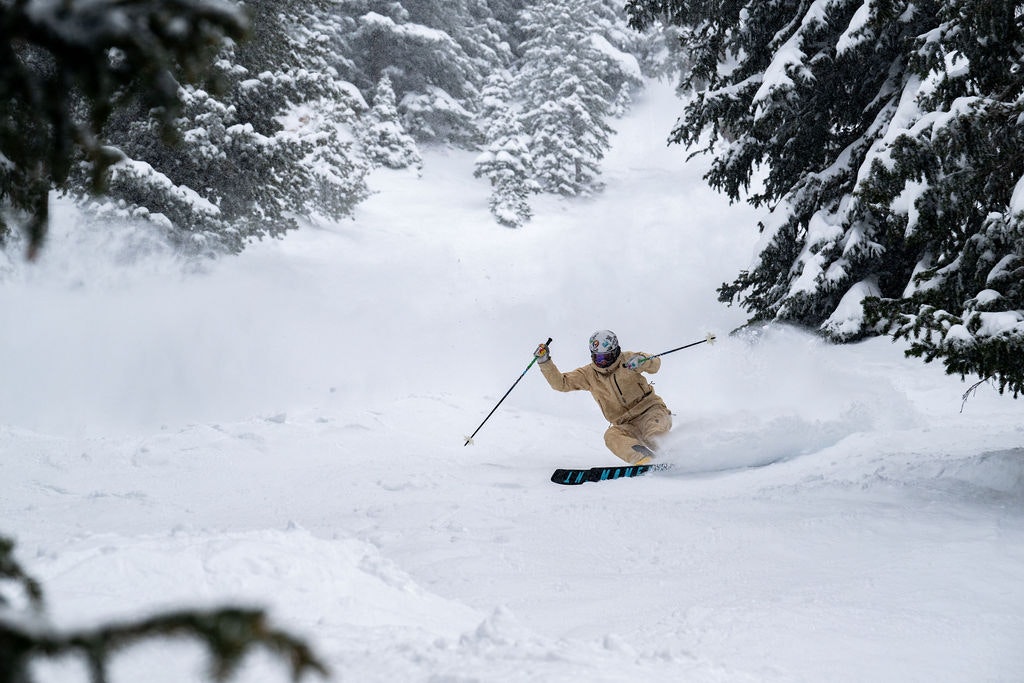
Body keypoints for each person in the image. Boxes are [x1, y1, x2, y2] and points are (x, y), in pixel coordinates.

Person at [534, 330, 672, 465]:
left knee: (653, 435)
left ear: (616, 351)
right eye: (598, 357)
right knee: (611, 436)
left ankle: (674, 455)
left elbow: (656, 364)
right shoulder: (589, 374)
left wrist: (643, 361)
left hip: (650, 412)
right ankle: (643, 460)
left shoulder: (629, 359)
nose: (602, 361)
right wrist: (544, 361)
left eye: (606, 357)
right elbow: (561, 383)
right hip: (625, 424)